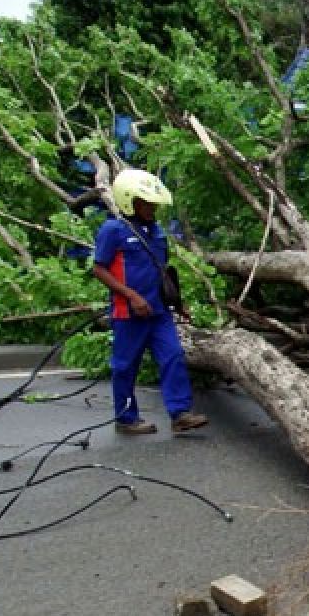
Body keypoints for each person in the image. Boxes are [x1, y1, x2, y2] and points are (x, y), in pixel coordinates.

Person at [92, 169, 209, 434]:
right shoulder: (113, 230)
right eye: (146, 202)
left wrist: (178, 304)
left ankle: (180, 413)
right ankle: (126, 418)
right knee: (125, 365)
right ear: (129, 200)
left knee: (173, 356)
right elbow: (99, 269)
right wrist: (132, 296)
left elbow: (162, 270)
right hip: (128, 313)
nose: (152, 207)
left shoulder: (156, 231)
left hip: (158, 311)